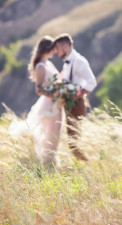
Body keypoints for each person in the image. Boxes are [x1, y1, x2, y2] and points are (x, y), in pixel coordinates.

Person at [9, 36, 63, 165]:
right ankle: (47, 160)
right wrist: (54, 94)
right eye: (53, 49)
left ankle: (50, 159)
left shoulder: (48, 63)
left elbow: (57, 80)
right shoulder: (40, 67)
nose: (55, 51)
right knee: (49, 131)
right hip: (49, 103)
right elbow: (39, 89)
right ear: (47, 49)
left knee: (56, 130)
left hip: (57, 102)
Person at [53, 33, 97, 161]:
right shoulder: (67, 62)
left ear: (65, 46)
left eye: (57, 48)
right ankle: (83, 164)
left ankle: (87, 165)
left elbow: (92, 82)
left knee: (73, 142)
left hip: (76, 105)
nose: (56, 52)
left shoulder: (79, 61)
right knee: (71, 139)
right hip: (68, 104)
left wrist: (78, 93)